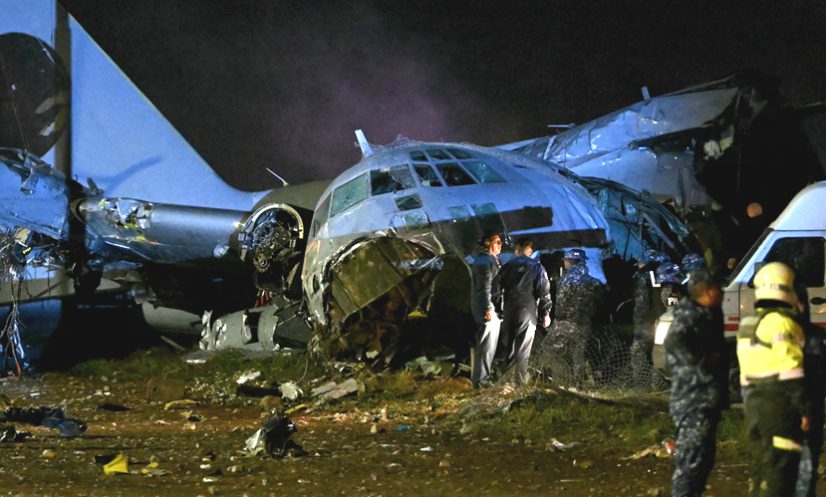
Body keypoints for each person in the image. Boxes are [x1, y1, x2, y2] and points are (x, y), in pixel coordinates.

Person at [738, 262, 808, 497]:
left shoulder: (747, 324)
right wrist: (804, 410)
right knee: (780, 471)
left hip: (753, 405)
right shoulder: (782, 322)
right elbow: (792, 370)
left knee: (760, 469)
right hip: (778, 404)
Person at [665, 268, 728, 497]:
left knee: (703, 459)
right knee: (691, 461)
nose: (723, 292)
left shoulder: (709, 314)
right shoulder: (689, 316)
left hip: (706, 397)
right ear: (708, 291)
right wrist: (705, 363)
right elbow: (675, 344)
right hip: (693, 398)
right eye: (719, 288)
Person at [495, 238, 552, 385]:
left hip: (509, 310)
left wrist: (498, 308)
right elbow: (544, 291)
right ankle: (519, 384)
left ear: (517, 249)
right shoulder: (537, 267)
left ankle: (506, 383)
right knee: (523, 348)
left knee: (509, 347)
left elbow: (496, 289)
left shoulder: (507, 266)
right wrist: (545, 313)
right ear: (529, 250)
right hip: (527, 311)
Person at [551, 248, 603, 386]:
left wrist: (557, 318)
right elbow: (599, 303)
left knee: (556, 351)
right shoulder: (593, 281)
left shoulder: (567, 279)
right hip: (585, 323)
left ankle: (562, 382)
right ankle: (579, 383)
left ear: (569, 261)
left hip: (566, 322)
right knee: (578, 354)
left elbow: (561, 300)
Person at [630, 250, 669, 387]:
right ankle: (658, 383)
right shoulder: (666, 274)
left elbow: (642, 303)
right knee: (658, 352)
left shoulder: (645, 276)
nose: (639, 266)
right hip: (663, 321)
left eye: (640, 263)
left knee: (638, 351)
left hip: (648, 321)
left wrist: (638, 325)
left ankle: (642, 384)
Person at [469, 231, 503, 388]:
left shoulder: (490, 260)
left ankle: (483, 378)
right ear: (487, 243)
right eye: (497, 242)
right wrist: (488, 307)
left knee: (489, 345)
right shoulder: (484, 260)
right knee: (486, 345)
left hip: (492, 307)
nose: (500, 245)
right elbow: (485, 286)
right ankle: (481, 381)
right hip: (488, 308)